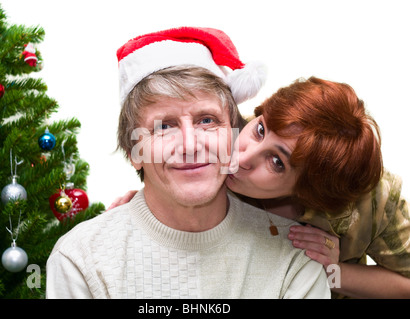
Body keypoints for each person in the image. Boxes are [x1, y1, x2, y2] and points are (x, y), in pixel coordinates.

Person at [45, 27, 330, 299]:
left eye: (207, 120)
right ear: (134, 153)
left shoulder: (296, 262)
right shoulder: (80, 260)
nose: (190, 146)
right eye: (164, 126)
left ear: (232, 135)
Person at [111, 76, 410, 299]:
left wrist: (332, 272)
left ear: (309, 191)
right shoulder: (224, 133)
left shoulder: (374, 199)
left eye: (277, 162)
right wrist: (152, 206)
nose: (241, 157)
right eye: (260, 129)